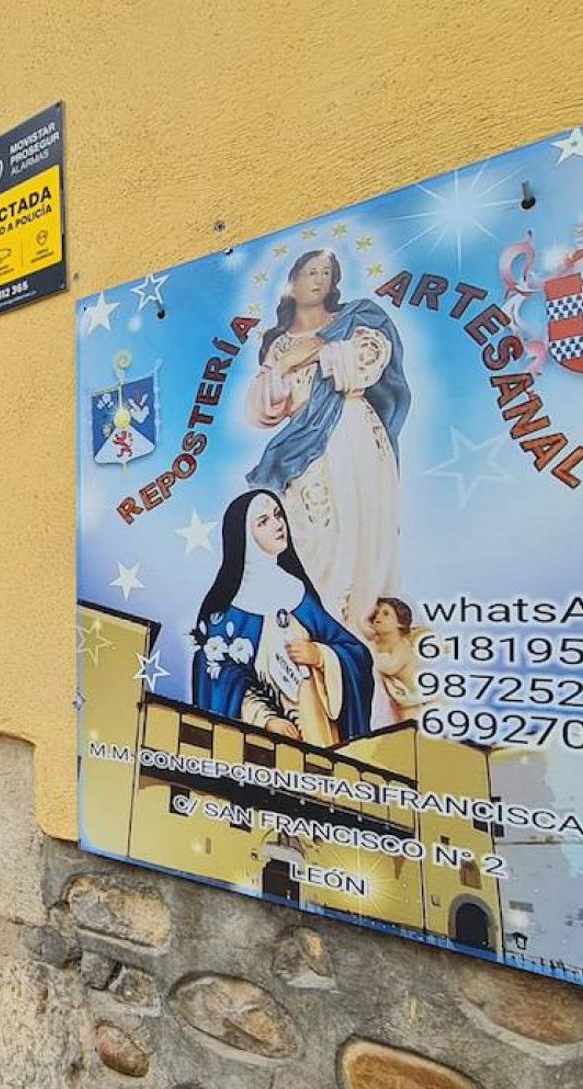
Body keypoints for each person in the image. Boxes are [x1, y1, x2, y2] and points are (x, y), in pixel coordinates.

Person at [243, 249, 411, 636]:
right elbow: (267, 407)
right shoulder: (278, 344)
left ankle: (360, 639)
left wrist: (320, 347)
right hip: (306, 449)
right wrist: (281, 369)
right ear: (293, 281)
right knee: (312, 536)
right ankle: (316, 631)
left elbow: (365, 363)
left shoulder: (357, 320)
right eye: (310, 272)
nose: (319, 280)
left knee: (361, 528)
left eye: (326, 273)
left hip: (352, 433)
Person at [191, 491, 375, 746]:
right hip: (268, 745)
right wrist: (264, 720)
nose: (278, 525)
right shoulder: (227, 613)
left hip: (322, 732)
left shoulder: (298, 592)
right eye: (263, 521)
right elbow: (219, 681)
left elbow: (356, 653)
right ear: (243, 535)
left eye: (278, 515)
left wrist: (322, 656)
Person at [368, 596, 431, 725]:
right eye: (377, 613)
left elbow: (390, 666)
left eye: (386, 614)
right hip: (400, 699)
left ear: (400, 622)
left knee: (409, 728)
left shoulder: (402, 647)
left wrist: (367, 655)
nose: (378, 617)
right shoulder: (378, 642)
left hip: (413, 700)